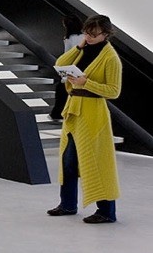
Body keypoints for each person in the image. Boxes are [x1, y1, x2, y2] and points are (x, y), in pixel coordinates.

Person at [47, 14, 122, 224]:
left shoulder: (110, 58)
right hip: (74, 111)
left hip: (93, 113)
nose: (88, 36)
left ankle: (107, 211)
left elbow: (114, 91)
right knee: (68, 161)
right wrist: (79, 47)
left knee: (98, 161)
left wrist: (84, 82)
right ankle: (68, 204)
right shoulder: (84, 49)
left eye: (93, 34)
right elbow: (60, 63)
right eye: (87, 32)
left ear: (106, 34)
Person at [49, 14, 84, 121]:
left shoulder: (69, 39)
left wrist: (63, 75)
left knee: (61, 91)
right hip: (84, 67)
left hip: (72, 68)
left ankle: (57, 114)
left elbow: (67, 56)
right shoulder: (84, 37)